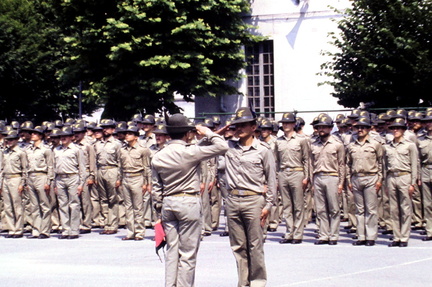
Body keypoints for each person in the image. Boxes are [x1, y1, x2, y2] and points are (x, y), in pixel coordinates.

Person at [152, 113, 228, 287]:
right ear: (187, 133)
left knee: (172, 251)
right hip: (188, 202)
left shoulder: (158, 155)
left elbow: (156, 188)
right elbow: (222, 146)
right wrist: (208, 132)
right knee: (187, 254)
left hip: (168, 203)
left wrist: (158, 211)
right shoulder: (190, 152)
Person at [224, 107, 276, 287]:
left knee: (255, 246)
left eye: (243, 125)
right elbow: (205, 142)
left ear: (253, 127)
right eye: (236, 125)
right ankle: (242, 283)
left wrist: (268, 205)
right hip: (232, 200)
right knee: (238, 247)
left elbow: (271, 179)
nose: (238, 129)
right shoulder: (228, 146)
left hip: (254, 200)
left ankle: (258, 282)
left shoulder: (263, 150)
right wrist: (224, 130)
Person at [346, 117, 383, 246]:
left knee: (371, 209)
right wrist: (348, 179)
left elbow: (381, 163)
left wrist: (379, 179)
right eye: (358, 128)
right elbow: (347, 164)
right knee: (359, 209)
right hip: (356, 178)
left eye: (363, 127)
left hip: (371, 177)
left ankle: (371, 236)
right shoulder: (351, 145)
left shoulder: (375, 144)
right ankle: (361, 236)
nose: (360, 130)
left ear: (368, 129)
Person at [310, 114, 345, 245]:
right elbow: (310, 163)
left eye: (324, 127)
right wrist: (311, 180)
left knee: (334, 208)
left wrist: (341, 183)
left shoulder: (337, 144)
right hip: (318, 177)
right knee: (320, 208)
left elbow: (342, 164)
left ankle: (334, 235)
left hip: (332, 176)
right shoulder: (313, 145)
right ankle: (323, 235)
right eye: (319, 127)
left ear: (330, 128)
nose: (321, 129)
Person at [276, 112, 310, 244]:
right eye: (284, 123)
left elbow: (306, 159)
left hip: (297, 172)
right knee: (286, 205)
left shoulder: (301, 140)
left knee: (298, 204)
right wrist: (276, 177)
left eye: (288, 123)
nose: (285, 125)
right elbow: (276, 160)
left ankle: (298, 233)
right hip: (283, 173)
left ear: (294, 124)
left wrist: (306, 177)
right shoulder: (278, 141)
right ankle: (289, 232)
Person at [384, 118, 418, 247]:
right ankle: (396, 236)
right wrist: (386, 182)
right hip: (392, 177)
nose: (395, 130)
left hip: (405, 176)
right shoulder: (387, 146)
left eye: (398, 128)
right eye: (393, 128)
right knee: (393, 208)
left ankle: (404, 237)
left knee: (405, 207)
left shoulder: (410, 145)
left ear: (404, 130)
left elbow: (415, 164)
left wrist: (412, 183)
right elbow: (385, 165)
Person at [54, 126, 86, 239]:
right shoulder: (56, 150)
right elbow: (53, 167)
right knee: (62, 205)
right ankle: (65, 229)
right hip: (60, 178)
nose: (63, 138)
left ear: (71, 137)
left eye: (66, 136)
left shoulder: (77, 150)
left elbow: (82, 168)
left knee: (74, 204)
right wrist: (54, 183)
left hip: (73, 177)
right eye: (61, 136)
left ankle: (74, 230)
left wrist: (81, 184)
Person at [119, 125, 150, 241]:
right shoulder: (122, 149)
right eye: (126, 133)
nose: (127, 135)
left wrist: (147, 183)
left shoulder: (142, 149)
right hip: (126, 178)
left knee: (138, 207)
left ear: (136, 137)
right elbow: (120, 166)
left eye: (130, 133)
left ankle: (139, 232)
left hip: (138, 177)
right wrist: (120, 179)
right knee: (128, 207)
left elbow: (147, 167)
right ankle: (130, 232)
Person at [26, 126, 54, 239]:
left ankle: (45, 230)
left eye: (35, 134)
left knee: (44, 205)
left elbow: (50, 166)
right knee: (34, 206)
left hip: (41, 176)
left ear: (41, 136)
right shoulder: (28, 149)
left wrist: (48, 181)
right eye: (32, 133)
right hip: (31, 176)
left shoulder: (46, 149)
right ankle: (36, 230)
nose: (32, 135)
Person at [94, 119, 122, 235]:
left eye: (108, 127)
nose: (105, 130)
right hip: (101, 170)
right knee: (103, 199)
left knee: (113, 199)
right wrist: (96, 175)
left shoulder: (117, 144)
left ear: (113, 129)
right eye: (103, 128)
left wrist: (119, 178)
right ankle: (106, 223)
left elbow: (120, 161)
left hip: (112, 170)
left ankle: (113, 225)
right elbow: (95, 161)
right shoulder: (97, 144)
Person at [0, 130, 28, 238]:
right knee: (8, 206)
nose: (9, 142)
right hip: (6, 179)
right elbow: (1, 169)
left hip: (16, 178)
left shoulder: (21, 152)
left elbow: (24, 169)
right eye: (8, 140)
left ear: (17, 140)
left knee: (17, 205)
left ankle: (19, 229)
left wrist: (22, 183)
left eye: (12, 139)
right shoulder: (5, 152)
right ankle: (11, 228)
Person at [418, 111, 432, 241]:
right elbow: (417, 159)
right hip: (426, 170)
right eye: (427, 121)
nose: (429, 124)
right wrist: (418, 176)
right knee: (427, 204)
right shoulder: (420, 139)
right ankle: (430, 231)